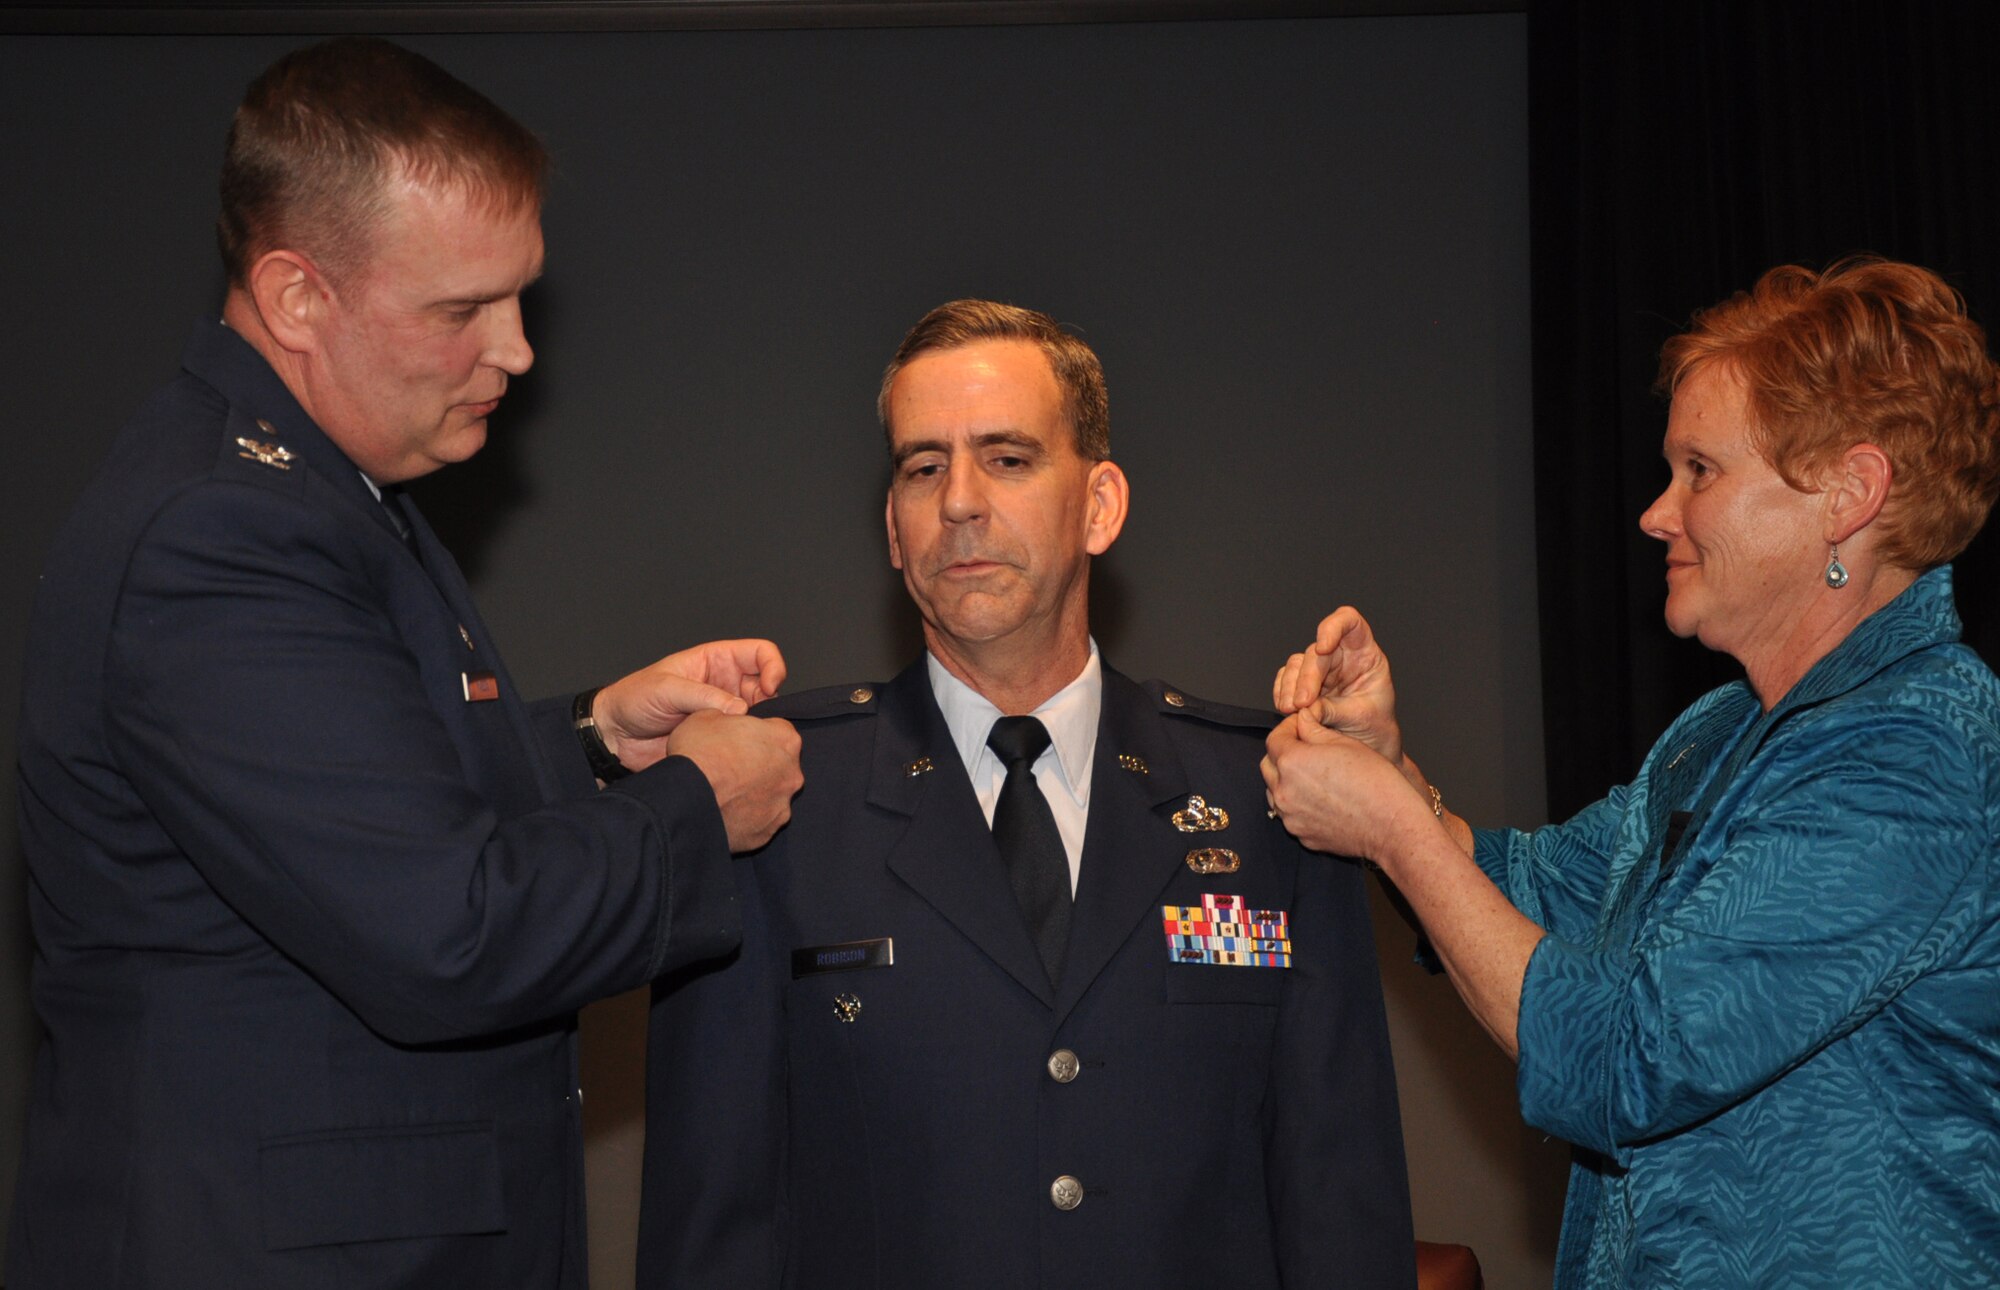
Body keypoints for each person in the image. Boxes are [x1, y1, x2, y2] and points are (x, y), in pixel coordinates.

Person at [8, 37, 801, 1289]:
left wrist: (597, 740)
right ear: (297, 298)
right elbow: (449, 936)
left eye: (520, 296)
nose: (519, 350)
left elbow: (358, 796)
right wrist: (696, 807)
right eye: (461, 310)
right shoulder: (222, 533)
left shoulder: (318, 487)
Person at [637, 299, 1414, 1289]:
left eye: (1006, 458)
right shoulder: (773, 801)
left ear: (1098, 505)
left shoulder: (1268, 790)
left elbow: (1338, 1197)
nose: (958, 500)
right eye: (923, 467)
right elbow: (710, 1220)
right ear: (890, 526)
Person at [1262, 257, 2000, 1286]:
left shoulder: (1913, 757)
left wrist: (1389, 825)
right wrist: (1393, 766)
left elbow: (1624, 1059)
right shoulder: (1722, 729)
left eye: (1698, 471)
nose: (1656, 513)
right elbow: (1538, 892)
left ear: (1848, 493)